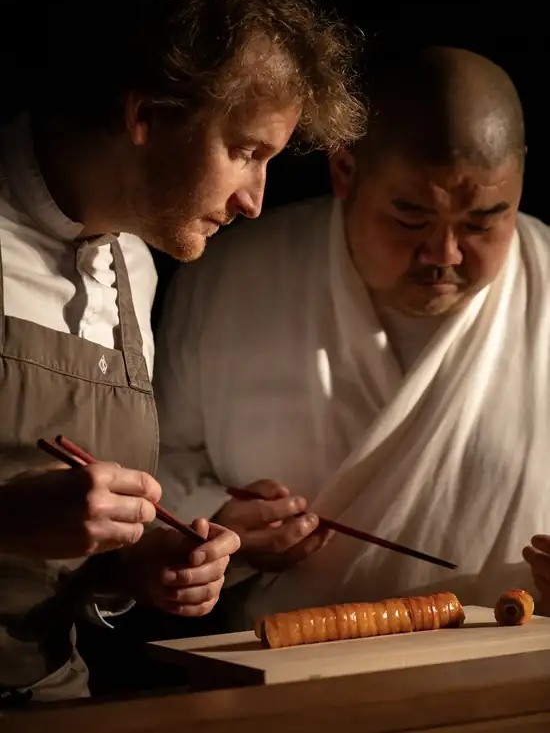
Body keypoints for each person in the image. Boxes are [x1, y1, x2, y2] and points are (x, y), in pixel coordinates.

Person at [0, 0, 365, 705]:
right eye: (245, 152)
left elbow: (67, 570)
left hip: (57, 700)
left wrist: (138, 565)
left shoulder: (134, 266)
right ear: (147, 117)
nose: (255, 200)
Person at [154, 46, 550, 629]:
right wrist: (220, 524)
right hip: (282, 671)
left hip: (507, 670)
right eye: (411, 217)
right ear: (345, 171)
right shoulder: (231, 277)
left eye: (483, 221)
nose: (443, 254)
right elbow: (158, 459)